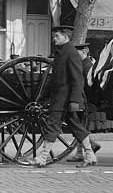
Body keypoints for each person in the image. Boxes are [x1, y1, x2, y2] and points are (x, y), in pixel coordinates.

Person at [34, 26, 95, 167]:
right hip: (60, 96)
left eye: (57, 36)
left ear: (66, 37)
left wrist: (74, 100)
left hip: (64, 97)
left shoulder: (71, 53)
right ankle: (90, 154)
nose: (54, 39)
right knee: (75, 126)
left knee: (52, 124)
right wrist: (43, 95)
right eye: (54, 36)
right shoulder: (61, 52)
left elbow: (77, 79)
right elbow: (55, 77)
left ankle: (42, 158)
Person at [67, 43, 102, 161]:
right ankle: (86, 148)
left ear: (84, 51)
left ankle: (83, 152)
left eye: (77, 52)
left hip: (85, 100)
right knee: (79, 126)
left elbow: (87, 85)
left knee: (79, 126)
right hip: (81, 99)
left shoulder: (88, 66)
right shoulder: (81, 64)